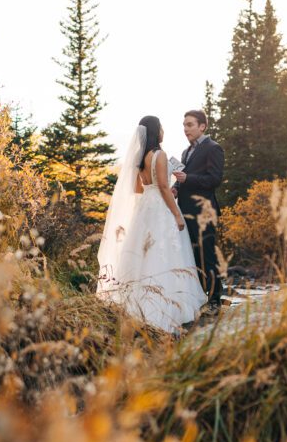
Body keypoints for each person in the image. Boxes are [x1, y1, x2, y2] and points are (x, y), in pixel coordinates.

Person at [96, 115, 207, 333]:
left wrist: (154, 186)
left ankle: (135, 306)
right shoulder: (159, 155)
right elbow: (164, 188)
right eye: (162, 127)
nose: (164, 130)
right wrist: (176, 213)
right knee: (165, 253)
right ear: (157, 132)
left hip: (145, 207)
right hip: (161, 207)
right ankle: (166, 309)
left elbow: (138, 190)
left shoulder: (140, 159)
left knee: (143, 255)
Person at [172, 109, 225, 309]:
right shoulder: (186, 151)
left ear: (202, 126)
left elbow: (214, 180)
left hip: (204, 213)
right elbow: (184, 176)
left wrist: (188, 179)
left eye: (190, 125)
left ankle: (215, 301)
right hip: (185, 211)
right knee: (193, 256)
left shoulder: (213, 148)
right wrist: (176, 187)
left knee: (208, 256)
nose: (186, 129)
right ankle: (202, 297)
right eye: (184, 125)